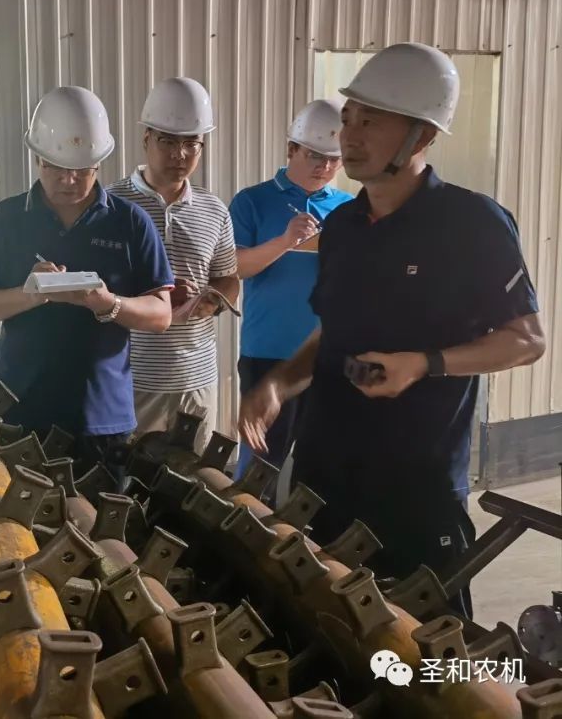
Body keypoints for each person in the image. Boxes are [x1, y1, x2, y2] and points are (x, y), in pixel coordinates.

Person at [237, 43, 544, 618]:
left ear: (421, 134)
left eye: (371, 121)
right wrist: (277, 384)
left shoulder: (472, 224)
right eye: (349, 117)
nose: (349, 135)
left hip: (415, 490)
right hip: (323, 480)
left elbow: (527, 340)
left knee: (428, 654)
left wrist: (425, 363)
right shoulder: (343, 226)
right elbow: (331, 332)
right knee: (323, 633)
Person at [0, 86, 173, 474]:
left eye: (82, 169)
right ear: (37, 158)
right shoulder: (6, 220)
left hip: (103, 418)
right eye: (55, 167)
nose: (69, 180)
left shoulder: (129, 222)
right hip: (20, 413)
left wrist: (109, 304)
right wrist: (30, 294)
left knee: (102, 511)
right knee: (20, 512)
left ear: (99, 162)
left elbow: (161, 314)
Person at [109, 78, 239, 453]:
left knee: (191, 480)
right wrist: (150, 296)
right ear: (146, 139)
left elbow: (228, 277)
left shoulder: (214, 210)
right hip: (130, 377)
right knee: (125, 479)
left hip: (195, 379)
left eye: (191, 143)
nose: (180, 154)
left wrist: (212, 303)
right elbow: (94, 286)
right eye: (167, 141)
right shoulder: (112, 205)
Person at [230, 100, 352, 478]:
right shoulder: (252, 201)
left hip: (327, 358)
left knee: (320, 473)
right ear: (291, 149)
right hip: (268, 355)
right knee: (258, 471)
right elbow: (236, 266)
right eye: (315, 155)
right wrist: (285, 241)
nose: (325, 167)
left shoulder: (349, 209)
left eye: (334, 159)